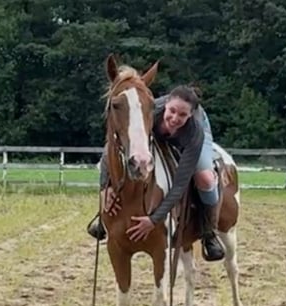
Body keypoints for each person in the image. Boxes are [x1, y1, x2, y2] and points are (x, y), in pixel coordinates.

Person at [87, 85, 225, 261]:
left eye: (182, 115)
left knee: (205, 178)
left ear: (189, 115)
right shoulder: (149, 109)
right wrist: (103, 188)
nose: (175, 118)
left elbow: (180, 184)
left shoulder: (194, 131)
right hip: (158, 129)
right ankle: (103, 215)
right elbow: (114, 142)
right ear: (165, 104)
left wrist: (153, 220)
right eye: (172, 111)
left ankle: (208, 230)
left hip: (192, 135)